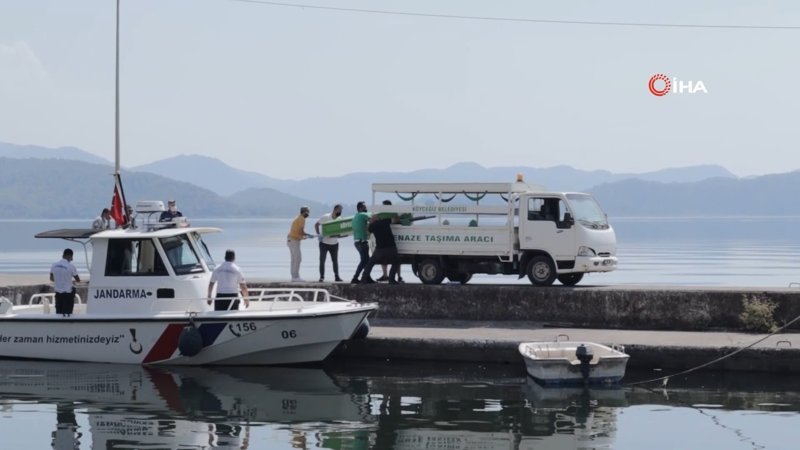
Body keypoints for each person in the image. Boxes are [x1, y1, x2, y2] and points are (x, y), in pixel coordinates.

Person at [360, 212, 400, 284]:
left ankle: (363, 279)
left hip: (380, 249)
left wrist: (370, 223)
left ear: (373, 220)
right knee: (396, 262)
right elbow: (396, 219)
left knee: (370, 263)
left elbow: (367, 234)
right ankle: (391, 279)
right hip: (391, 248)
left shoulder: (372, 226)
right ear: (379, 218)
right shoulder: (385, 221)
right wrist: (396, 215)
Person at [315, 204, 344, 282]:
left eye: (341, 210)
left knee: (335, 261)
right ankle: (322, 277)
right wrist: (319, 235)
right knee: (322, 260)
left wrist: (342, 235)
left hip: (334, 244)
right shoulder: (326, 217)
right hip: (323, 243)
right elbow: (316, 225)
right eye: (339, 210)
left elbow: (341, 231)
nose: (340, 212)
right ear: (335, 210)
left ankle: (337, 277)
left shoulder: (340, 219)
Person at [377, 200, 404, 283]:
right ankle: (397, 276)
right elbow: (397, 221)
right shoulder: (393, 213)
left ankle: (386, 275)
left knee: (384, 259)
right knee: (395, 260)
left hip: (385, 239)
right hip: (392, 239)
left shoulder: (382, 214)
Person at [50, 248, 80, 317]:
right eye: (72, 257)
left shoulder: (54, 265)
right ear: (69, 256)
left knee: (59, 314)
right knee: (68, 314)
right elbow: (78, 280)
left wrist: (59, 280)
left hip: (58, 294)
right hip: (68, 295)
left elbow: (51, 278)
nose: (72, 259)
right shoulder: (71, 266)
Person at [287, 206, 314, 282]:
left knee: (294, 259)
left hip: (290, 240)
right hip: (294, 240)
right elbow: (301, 232)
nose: (308, 214)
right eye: (308, 212)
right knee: (298, 259)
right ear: (304, 212)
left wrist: (304, 236)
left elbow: (298, 232)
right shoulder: (302, 219)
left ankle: (294, 277)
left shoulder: (298, 217)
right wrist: (307, 235)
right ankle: (295, 277)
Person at [350, 201, 371, 284]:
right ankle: (355, 278)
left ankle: (367, 277)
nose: (366, 208)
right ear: (360, 208)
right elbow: (374, 218)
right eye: (364, 207)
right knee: (364, 261)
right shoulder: (363, 215)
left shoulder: (355, 216)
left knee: (366, 261)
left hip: (357, 242)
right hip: (362, 242)